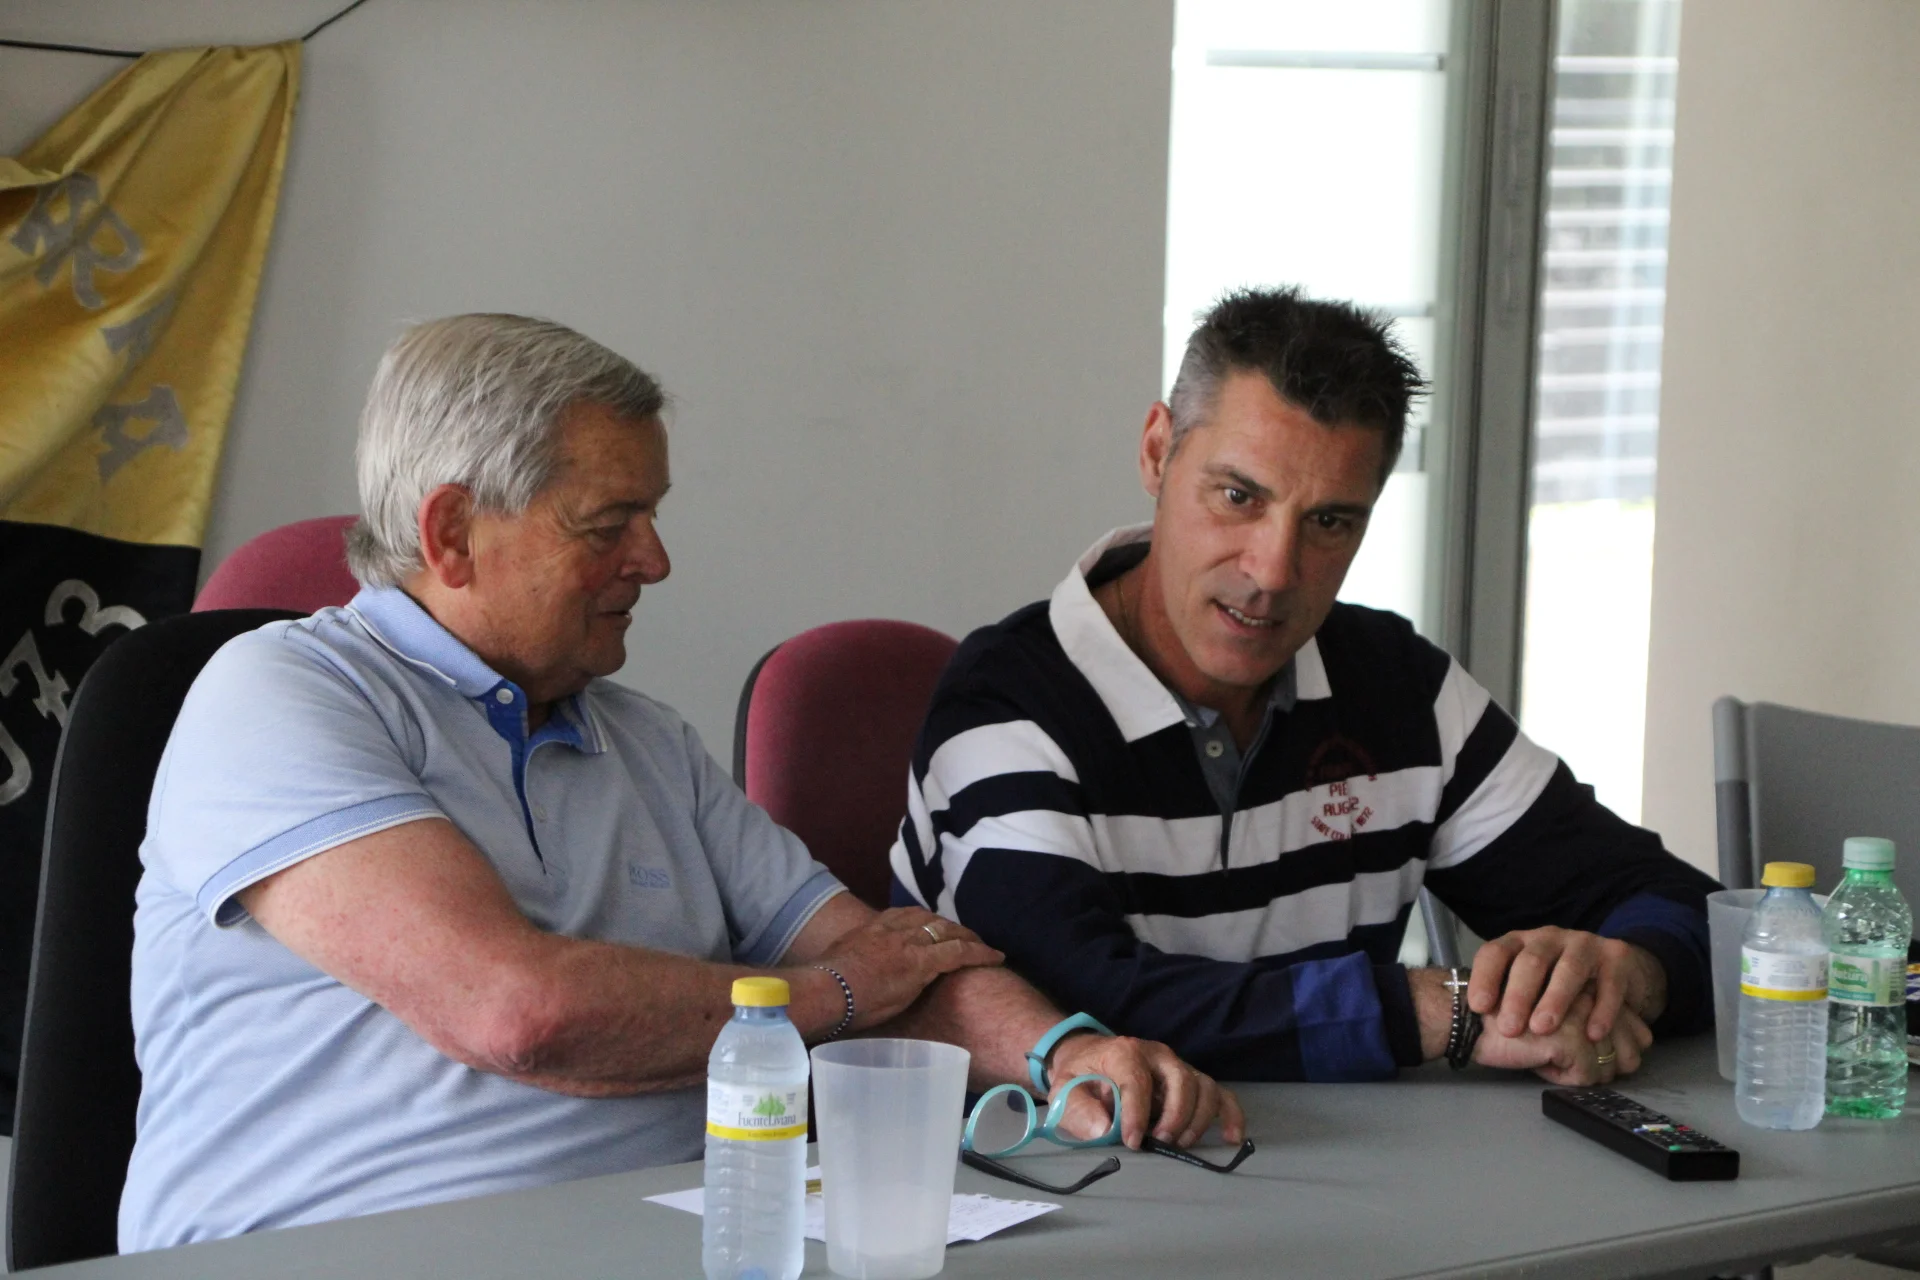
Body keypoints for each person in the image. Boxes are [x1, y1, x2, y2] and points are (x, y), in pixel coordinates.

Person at [120, 315, 1241, 1252]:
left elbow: (899, 957)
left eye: (653, 516)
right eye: (609, 524)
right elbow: (517, 1011)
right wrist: (831, 995)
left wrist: (1065, 1055)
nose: (654, 560)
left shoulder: (647, 741)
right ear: (453, 532)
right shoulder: (279, 694)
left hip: (663, 1244)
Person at [888, 286, 1720, 1087]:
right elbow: (1078, 1003)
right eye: (1238, 496)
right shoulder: (1006, 704)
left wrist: (1620, 976)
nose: (1273, 571)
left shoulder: (1401, 690)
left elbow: (1698, 915)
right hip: (1049, 1169)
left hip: (1345, 1165)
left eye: (1329, 522)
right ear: (1156, 451)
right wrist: (1448, 1012)